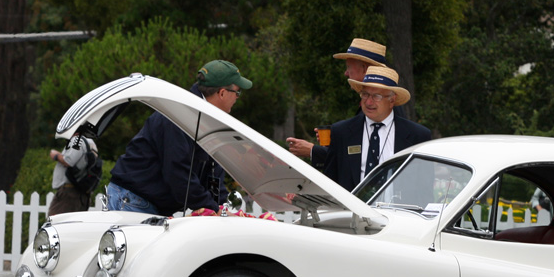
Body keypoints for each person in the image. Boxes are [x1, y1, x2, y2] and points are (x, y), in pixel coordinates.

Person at [311, 65, 432, 277]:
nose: (368, 100)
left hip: (398, 227)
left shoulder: (418, 136)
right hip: (349, 227)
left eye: (376, 95)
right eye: (364, 94)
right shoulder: (342, 131)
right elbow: (333, 182)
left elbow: (424, 188)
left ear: (392, 99)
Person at [106, 60, 252, 216]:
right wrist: (214, 209)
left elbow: (212, 175)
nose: (237, 97)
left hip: (147, 200)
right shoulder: (179, 116)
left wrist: (223, 209)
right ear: (222, 93)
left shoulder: (206, 119)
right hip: (134, 198)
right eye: (237, 92)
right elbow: (177, 172)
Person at [286, 38, 392, 166]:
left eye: (348, 67)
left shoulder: (385, 109)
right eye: (366, 96)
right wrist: (339, 138)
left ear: (364, 69)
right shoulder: (380, 105)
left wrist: (313, 151)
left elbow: (364, 159)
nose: (346, 73)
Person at [48, 136, 98, 216]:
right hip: (80, 192)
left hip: (69, 193)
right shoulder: (90, 142)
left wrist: (56, 155)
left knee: (55, 224)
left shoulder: (77, 140)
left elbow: (69, 161)